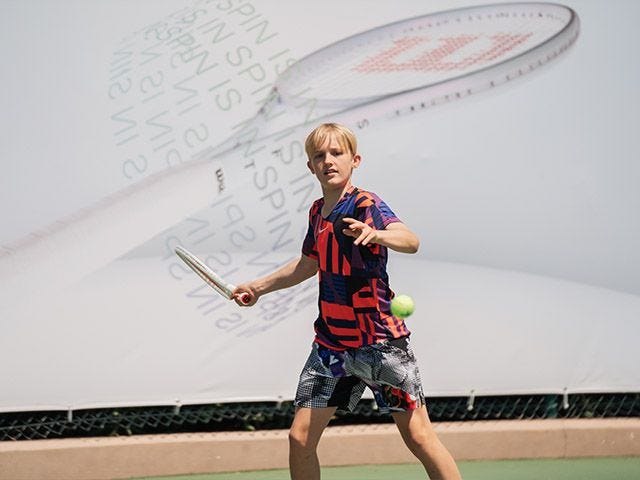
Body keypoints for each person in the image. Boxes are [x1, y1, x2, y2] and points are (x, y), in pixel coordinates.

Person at [233, 123, 461, 480]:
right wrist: (258, 287)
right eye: (319, 156)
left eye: (337, 153)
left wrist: (378, 234)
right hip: (332, 347)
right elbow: (309, 263)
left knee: (418, 436)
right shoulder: (316, 212)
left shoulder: (366, 204)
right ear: (310, 166)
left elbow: (410, 240)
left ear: (354, 160)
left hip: (381, 346)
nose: (328, 161)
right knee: (300, 437)